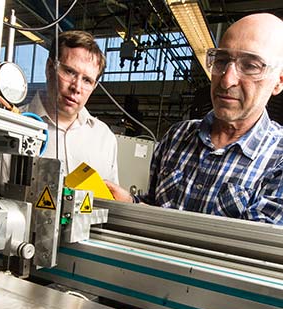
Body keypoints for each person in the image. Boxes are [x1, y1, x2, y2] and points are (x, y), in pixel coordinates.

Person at [106, 13, 283, 224]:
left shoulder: (278, 159)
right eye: (221, 60)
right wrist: (130, 203)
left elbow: (255, 252)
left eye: (251, 66)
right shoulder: (177, 136)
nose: (226, 80)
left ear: (278, 82)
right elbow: (154, 208)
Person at [0, 30, 119, 184]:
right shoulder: (9, 128)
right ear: (50, 68)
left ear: (94, 86)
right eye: (69, 72)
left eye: (87, 80)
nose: (76, 87)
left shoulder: (105, 138)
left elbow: (110, 201)